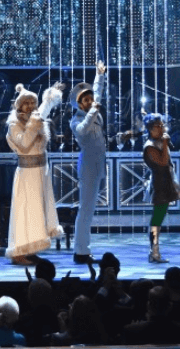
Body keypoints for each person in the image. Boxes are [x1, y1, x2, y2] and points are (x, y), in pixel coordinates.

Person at [5, 82, 65, 266]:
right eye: (27, 103)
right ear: (19, 105)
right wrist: (33, 123)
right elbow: (24, 143)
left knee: (37, 213)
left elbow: (44, 109)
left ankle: (31, 249)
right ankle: (19, 251)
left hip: (40, 172)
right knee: (26, 212)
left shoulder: (34, 119)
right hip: (27, 174)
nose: (31, 106)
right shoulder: (14, 124)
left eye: (33, 102)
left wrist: (51, 95)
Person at [69, 60, 107, 264]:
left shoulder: (92, 112)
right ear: (79, 104)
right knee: (85, 209)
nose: (91, 101)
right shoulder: (76, 120)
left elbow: (98, 93)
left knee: (89, 209)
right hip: (88, 166)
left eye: (90, 98)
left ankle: (83, 249)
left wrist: (99, 76)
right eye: (86, 100)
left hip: (98, 164)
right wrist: (93, 111)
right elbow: (82, 131)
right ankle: (81, 251)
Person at [142, 113, 180, 263]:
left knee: (158, 219)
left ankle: (155, 251)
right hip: (158, 186)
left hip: (166, 184)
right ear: (150, 129)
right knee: (157, 219)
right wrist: (165, 144)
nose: (161, 129)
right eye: (157, 126)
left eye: (162, 125)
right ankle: (154, 252)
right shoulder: (150, 146)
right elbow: (163, 161)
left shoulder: (159, 142)